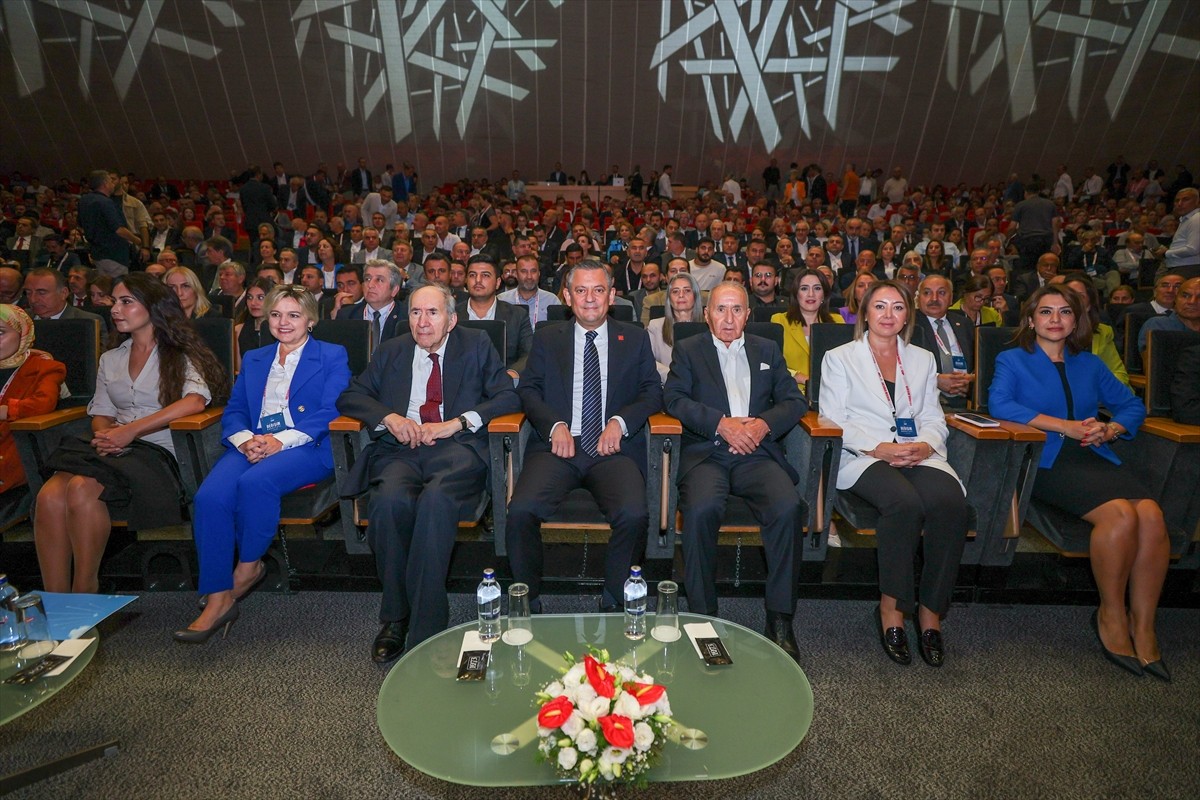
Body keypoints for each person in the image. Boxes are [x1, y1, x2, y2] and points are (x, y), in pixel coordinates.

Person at [989, 285, 1170, 680]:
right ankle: (1111, 614)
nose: (1055, 319)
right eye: (1046, 311)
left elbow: (1131, 405)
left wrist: (1111, 429)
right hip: (1046, 461)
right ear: (1031, 319)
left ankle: (1144, 624)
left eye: (1065, 312)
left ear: (1076, 321)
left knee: (1152, 516)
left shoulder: (1089, 363)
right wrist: (1065, 426)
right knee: (1121, 515)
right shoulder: (1013, 359)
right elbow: (1000, 405)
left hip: (1093, 455)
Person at [337, 284, 520, 662]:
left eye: (432, 313)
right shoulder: (391, 350)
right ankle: (396, 616)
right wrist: (389, 418)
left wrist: (458, 422)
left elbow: (507, 395)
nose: (422, 322)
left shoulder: (476, 345)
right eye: (416, 312)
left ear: (451, 320)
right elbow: (351, 396)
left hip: (456, 448)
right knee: (388, 503)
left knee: (435, 502)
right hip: (401, 450)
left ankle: (424, 628)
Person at [177, 285, 350, 642]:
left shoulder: (331, 355)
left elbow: (331, 410)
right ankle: (218, 594)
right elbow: (236, 409)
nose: (283, 322)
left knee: (255, 483)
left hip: (306, 445)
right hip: (254, 444)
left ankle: (248, 568)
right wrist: (245, 441)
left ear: (311, 320)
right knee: (209, 498)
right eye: (276, 314)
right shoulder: (256, 358)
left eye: (293, 315)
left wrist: (278, 441)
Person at [34, 274, 228, 593]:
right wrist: (106, 436)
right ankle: (55, 600)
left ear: (153, 307)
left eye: (126, 302)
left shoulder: (179, 352)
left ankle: (85, 591)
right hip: (113, 446)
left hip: (158, 450)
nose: (115, 309)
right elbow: (101, 412)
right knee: (49, 494)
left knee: (81, 487)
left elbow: (194, 401)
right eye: (114, 302)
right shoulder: (111, 358)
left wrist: (129, 432)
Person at [820, 280, 969, 666]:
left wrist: (925, 445)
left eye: (898, 307)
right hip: (863, 455)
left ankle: (931, 612)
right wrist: (879, 447)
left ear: (907, 316)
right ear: (865, 312)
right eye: (880, 306)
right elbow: (832, 419)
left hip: (917, 452)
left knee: (952, 504)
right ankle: (892, 607)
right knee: (903, 503)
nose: (889, 315)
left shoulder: (923, 359)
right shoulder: (840, 357)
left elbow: (934, 417)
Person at [505, 261, 662, 612]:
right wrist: (554, 425)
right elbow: (528, 390)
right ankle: (526, 598)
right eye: (581, 290)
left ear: (612, 295)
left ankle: (615, 598)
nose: (590, 298)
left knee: (634, 514)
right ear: (567, 296)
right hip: (557, 447)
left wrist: (620, 422)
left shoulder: (635, 338)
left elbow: (652, 392)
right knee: (520, 511)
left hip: (613, 448)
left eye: (598, 290)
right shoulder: (548, 338)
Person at [664, 282, 809, 663]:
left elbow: (794, 401)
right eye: (720, 309)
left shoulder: (767, 349)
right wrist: (720, 424)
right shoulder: (689, 349)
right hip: (708, 454)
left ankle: (780, 618)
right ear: (707, 314)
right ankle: (703, 617)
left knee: (788, 508)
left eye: (737, 310)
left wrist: (762, 425)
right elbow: (674, 399)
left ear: (748, 314)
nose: (728, 319)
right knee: (700, 510)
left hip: (757, 454)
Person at [0, 305, 68, 497]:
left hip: (13, 446)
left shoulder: (44, 367)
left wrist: (5, 410)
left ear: (22, 333)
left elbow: (43, 403)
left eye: (0, 332)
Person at [771, 269, 845, 390]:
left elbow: (845, 362)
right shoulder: (779, 321)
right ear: (796, 294)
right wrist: (800, 377)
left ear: (824, 294)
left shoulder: (837, 321)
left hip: (829, 391)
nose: (811, 294)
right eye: (804, 288)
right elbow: (773, 363)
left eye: (817, 288)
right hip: (792, 391)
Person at [1060, 273, 1130, 386]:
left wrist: (1098, 390)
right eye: (1068, 295)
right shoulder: (1045, 331)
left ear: (1089, 305)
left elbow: (1119, 374)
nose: (1073, 300)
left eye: (1080, 296)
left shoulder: (1103, 332)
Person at [646, 272, 703, 382]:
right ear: (669, 298)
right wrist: (674, 376)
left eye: (687, 290)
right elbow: (648, 360)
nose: (681, 295)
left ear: (695, 295)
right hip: (666, 384)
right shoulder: (655, 326)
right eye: (675, 291)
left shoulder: (709, 327)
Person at [234, 278, 277, 370]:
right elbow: (238, 370)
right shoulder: (238, 330)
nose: (253, 303)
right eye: (249, 297)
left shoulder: (282, 331)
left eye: (260, 298)